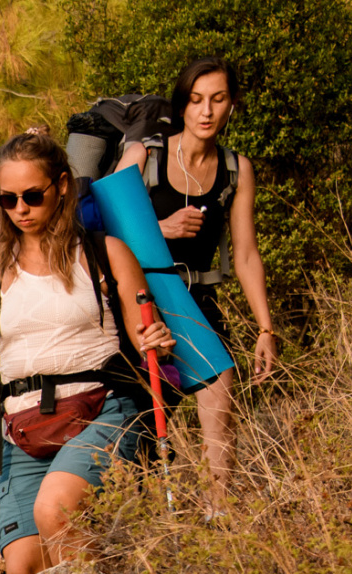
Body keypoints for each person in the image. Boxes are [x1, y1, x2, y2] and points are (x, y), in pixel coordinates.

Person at [0, 130, 173, 574]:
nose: (20, 209)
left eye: (32, 196)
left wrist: (156, 338)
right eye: (8, 198)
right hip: (23, 426)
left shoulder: (105, 253)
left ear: (61, 186)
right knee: (22, 571)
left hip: (105, 408)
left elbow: (147, 335)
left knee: (56, 510)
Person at [115, 57, 276, 503]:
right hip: (140, 297)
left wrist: (265, 328)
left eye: (218, 100)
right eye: (196, 100)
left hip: (198, 298)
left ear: (232, 106)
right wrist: (159, 227)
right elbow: (102, 222)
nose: (206, 111)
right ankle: (139, 521)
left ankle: (218, 518)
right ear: (181, 105)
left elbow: (244, 254)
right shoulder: (144, 156)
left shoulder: (236, 169)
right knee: (139, 419)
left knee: (220, 395)